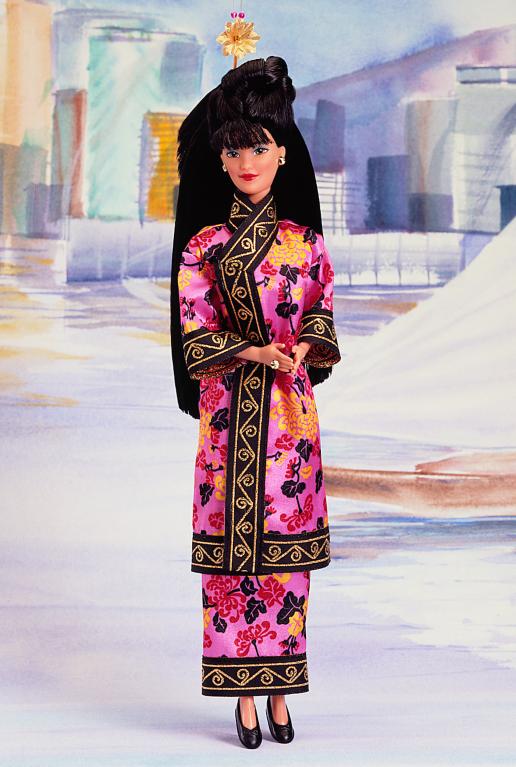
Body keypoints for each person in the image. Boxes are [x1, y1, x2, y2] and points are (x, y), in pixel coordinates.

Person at [170, 55, 341, 749]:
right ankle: (243, 698)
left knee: (285, 559)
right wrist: (253, 352)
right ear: (220, 158)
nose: (247, 161)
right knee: (230, 558)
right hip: (228, 417)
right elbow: (196, 326)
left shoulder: (307, 244)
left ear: (282, 155)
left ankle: (280, 691)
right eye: (235, 149)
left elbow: (321, 313)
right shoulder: (204, 248)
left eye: (259, 148)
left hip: (289, 423)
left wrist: (301, 349)